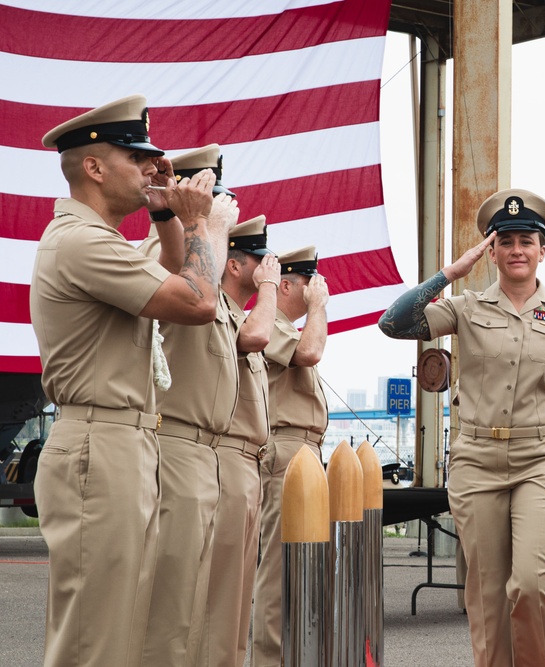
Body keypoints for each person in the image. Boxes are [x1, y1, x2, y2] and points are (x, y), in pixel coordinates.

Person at [30, 94, 236, 667]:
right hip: (102, 445)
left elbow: (173, 273)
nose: (152, 168)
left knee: (124, 633)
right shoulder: (81, 242)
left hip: (126, 443)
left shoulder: (103, 242)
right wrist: (198, 221)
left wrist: (167, 214)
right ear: (94, 167)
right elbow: (196, 300)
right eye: (136, 157)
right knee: (94, 642)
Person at [378, 188, 545, 667]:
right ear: (491, 250)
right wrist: (449, 274)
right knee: (487, 596)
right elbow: (393, 323)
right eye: (506, 240)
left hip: (541, 461)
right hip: (476, 463)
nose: (517, 250)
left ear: (543, 249)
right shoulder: (466, 307)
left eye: (527, 240)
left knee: (534, 581)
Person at [138, 144, 242, 667]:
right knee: (170, 610)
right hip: (175, 445)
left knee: (201, 606)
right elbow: (182, 268)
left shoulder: (214, 281)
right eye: (214, 203)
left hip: (210, 453)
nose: (224, 215)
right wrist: (203, 224)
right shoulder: (172, 255)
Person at [198, 215, 280, 667]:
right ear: (233, 264)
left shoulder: (233, 312)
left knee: (237, 597)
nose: (270, 267)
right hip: (224, 456)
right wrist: (269, 289)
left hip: (248, 460)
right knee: (219, 597)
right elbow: (258, 336)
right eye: (258, 259)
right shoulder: (219, 310)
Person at [252, 245, 329, 667]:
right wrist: (318, 307)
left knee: (302, 571)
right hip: (285, 451)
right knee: (279, 572)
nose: (317, 289)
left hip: (304, 452)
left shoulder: (286, 326)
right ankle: (269, 660)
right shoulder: (274, 324)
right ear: (285, 285)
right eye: (308, 282)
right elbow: (310, 353)